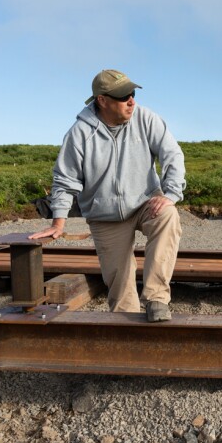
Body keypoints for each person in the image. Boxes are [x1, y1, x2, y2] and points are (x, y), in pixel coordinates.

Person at [29, 69, 185, 322]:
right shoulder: (79, 133)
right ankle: (129, 337)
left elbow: (173, 155)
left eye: (132, 94)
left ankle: (156, 298)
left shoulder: (146, 119)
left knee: (168, 215)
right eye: (124, 96)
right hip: (105, 215)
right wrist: (58, 221)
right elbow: (65, 179)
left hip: (146, 202)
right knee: (120, 289)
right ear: (102, 100)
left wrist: (171, 193)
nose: (132, 101)